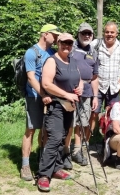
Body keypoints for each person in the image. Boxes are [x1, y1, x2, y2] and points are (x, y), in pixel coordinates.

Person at [36, 33, 84, 192]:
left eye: (69, 43)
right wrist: (66, 94)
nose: (66, 46)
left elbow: (79, 78)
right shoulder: (52, 60)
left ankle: (56, 168)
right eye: (64, 43)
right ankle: (43, 174)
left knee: (62, 137)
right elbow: (46, 84)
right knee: (55, 137)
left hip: (69, 106)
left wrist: (80, 87)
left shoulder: (73, 61)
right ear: (58, 43)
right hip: (56, 105)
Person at [20, 24, 60, 181]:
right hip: (34, 96)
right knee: (31, 130)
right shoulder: (31, 52)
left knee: (46, 131)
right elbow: (30, 77)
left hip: (49, 97)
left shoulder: (51, 52)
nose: (56, 38)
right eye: (54, 35)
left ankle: (43, 161)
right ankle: (25, 166)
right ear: (46, 34)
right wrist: (42, 94)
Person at [63, 23, 99, 168]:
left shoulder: (94, 52)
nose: (86, 36)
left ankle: (77, 150)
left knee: (82, 123)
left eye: (89, 34)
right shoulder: (71, 48)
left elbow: (95, 76)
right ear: (78, 34)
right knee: (69, 122)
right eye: (84, 33)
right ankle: (65, 151)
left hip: (87, 92)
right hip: (70, 91)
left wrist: (95, 96)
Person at [90, 21, 120, 129]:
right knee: (93, 113)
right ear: (104, 33)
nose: (109, 34)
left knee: (113, 115)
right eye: (107, 32)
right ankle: (88, 141)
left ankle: (109, 140)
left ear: (116, 34)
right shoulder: (96, 44)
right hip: (99, 85)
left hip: (114, 88)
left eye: (112, 32)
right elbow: (85, 55)